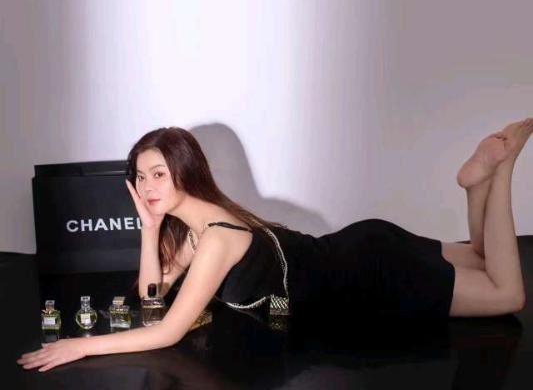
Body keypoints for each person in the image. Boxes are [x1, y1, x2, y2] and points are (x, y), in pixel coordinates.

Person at [19, 118, 532, 372]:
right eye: (140, 176)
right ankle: (475, 186)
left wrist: (79, 345)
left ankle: (503, 168)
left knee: (506, 294)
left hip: (369, 276)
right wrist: (150, 230)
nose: (148, 186)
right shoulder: (199, 228)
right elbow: (153, 299)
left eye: (158, 173)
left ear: (184, 169)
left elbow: (167, 331)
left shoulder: (216, 237)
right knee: (482, 258)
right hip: (361, 247)